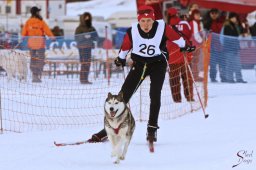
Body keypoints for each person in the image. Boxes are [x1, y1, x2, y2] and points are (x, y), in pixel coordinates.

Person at [87, 5, 195, 143]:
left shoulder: (163, 27)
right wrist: (121, 58)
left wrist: (186, 46)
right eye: (143, 21)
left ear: (153, 19)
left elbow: (178, 40)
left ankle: (152, 129)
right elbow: (125, 46)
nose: (146, 24)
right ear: (138, 21)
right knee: (122, 97)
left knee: (155, 95)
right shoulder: (133, 31)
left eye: (149, 21)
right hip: (139, 65)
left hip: (158, 64)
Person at [167, 7, 194, 103]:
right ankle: (189, 97)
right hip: (185, 55)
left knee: (174, 80)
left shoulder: (166, 26)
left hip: (172, 57)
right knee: (187, 78)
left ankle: (177, 99)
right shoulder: (185, 24)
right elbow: (190, 36)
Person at [22, 6, 55, 83]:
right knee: (41, 59)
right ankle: (37, 73)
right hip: (40, 43)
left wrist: (22, 38)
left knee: (33, 59)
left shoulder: (28, 22)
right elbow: (47, 31)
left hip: (31, 44)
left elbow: (23, 33)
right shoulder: (41, 22)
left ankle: (34, 74)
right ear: (36, 12)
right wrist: (52, 37)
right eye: (38, 11)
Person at [75, 12, 98, 84]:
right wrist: (84, 36)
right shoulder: (79, 28)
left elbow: (96, 36)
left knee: (88, 63)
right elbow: (76, 38)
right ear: (83, 19)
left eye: (88, 17)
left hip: (89, 47)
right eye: (86, 17)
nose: (87, 19)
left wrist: (92, 37)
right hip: (82, 48)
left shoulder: (91, 27)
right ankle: (83, 79)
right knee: (84, 63)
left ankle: (86, 78)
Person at [223, 12, 247, 83]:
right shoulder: (227, 26)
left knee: (238, 64)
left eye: (235, 17)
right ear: (230, 18)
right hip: (229, 48)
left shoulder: (236, 25)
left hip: (236, 48)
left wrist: (241, 27)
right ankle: (230, 78)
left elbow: (241, 32)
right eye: (233, 17)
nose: (234, 19)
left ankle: (239, 78)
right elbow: (230, 36)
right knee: (230, 64)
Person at [203, 8, 225, 82]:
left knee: (222, 63)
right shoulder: (207, 23)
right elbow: (204, 34)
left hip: (221, 46)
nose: (214, 15)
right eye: (212, 13)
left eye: (216, 13)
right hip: (211, 47)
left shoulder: (221, 22)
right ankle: (213, 78)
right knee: (213, 64)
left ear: (218, 14)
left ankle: (223, 77)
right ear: (210, 14)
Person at [189, 9, 204, 82]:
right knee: (195, 61)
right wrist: (202, 41)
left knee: (194, 61)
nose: (198, 16)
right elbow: (195, 34)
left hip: (194, 44)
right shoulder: (194, 22)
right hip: (195, 44)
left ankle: (194, 75)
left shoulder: (196, 22)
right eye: (196, 14)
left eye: (199, 14)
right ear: (193, 15)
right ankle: (195, 76)